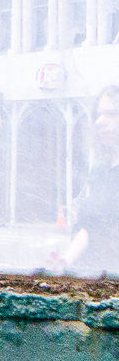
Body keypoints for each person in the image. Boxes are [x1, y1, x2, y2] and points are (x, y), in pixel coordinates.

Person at [63, 87, 119, 277]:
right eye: (98, 114)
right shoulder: (100, 171)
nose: (99, 122)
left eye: (111, 114)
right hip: (94, 280)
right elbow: (90, 228)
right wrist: (62, 265)